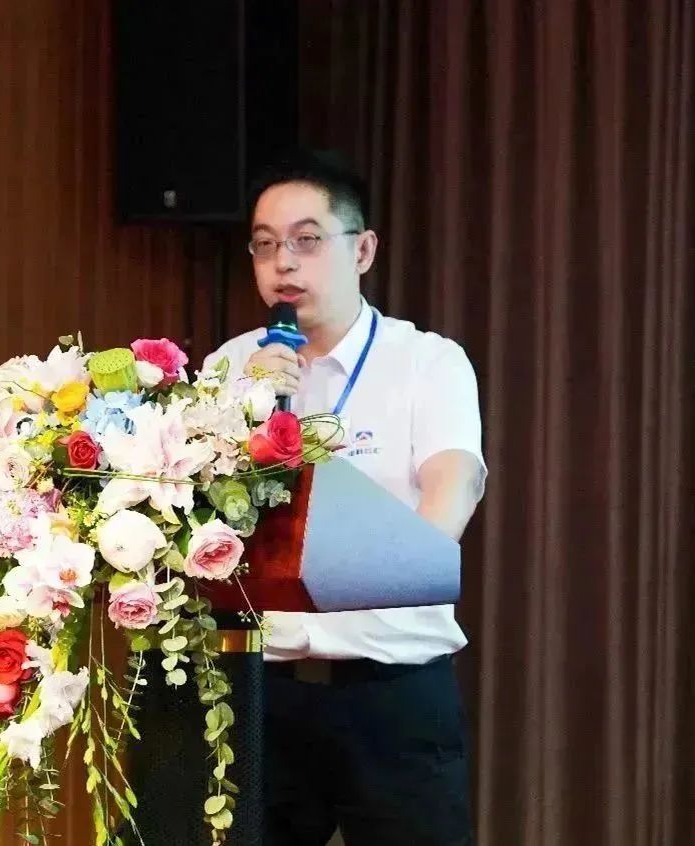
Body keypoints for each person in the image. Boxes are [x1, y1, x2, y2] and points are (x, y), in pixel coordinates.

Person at [202, 149, 487, 845]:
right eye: (265, 245)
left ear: (362, 250)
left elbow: (455, 480)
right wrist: (247, 411)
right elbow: (199, 515)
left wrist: (406, 566)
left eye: (306, 240)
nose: (283, 263)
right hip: (261, 690)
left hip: (391, 692)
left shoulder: (426, 361)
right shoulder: (230, 366)